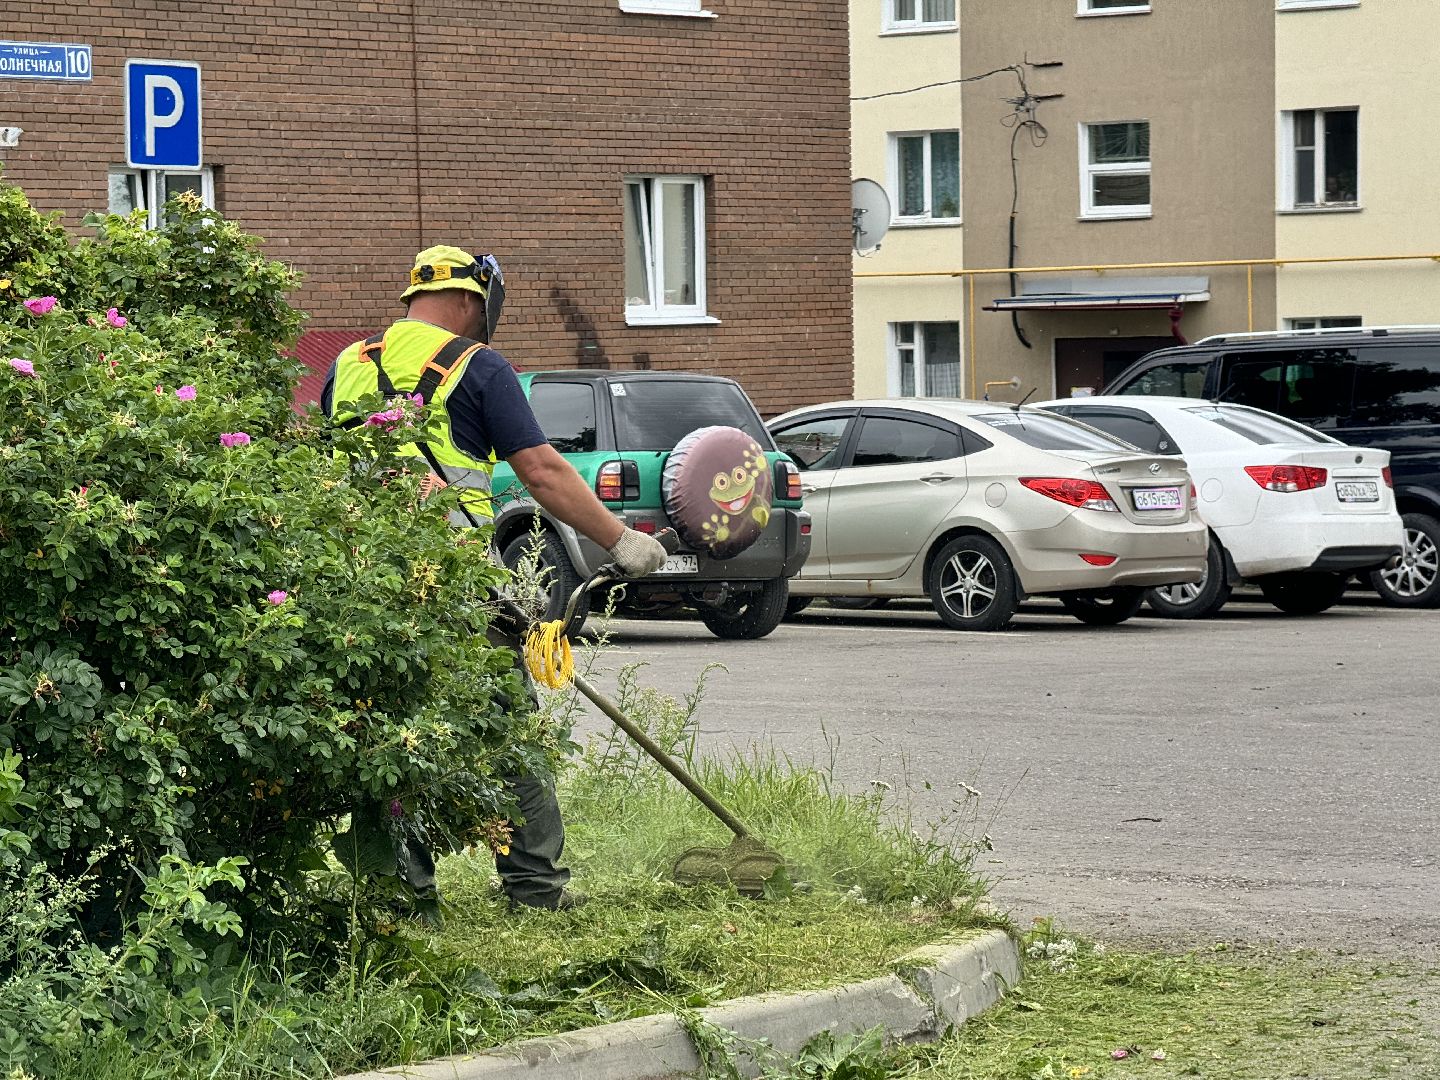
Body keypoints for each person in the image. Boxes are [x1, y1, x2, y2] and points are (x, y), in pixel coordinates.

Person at [322, 245, 668, 911]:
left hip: (362, 585)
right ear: (470, 300)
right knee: (507, 730)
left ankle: (398, 896)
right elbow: (541, 471)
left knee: (385, 734)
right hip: (453, 584)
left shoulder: (348, 363)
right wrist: (621, 540)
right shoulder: (479, 365)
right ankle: (534, 886)